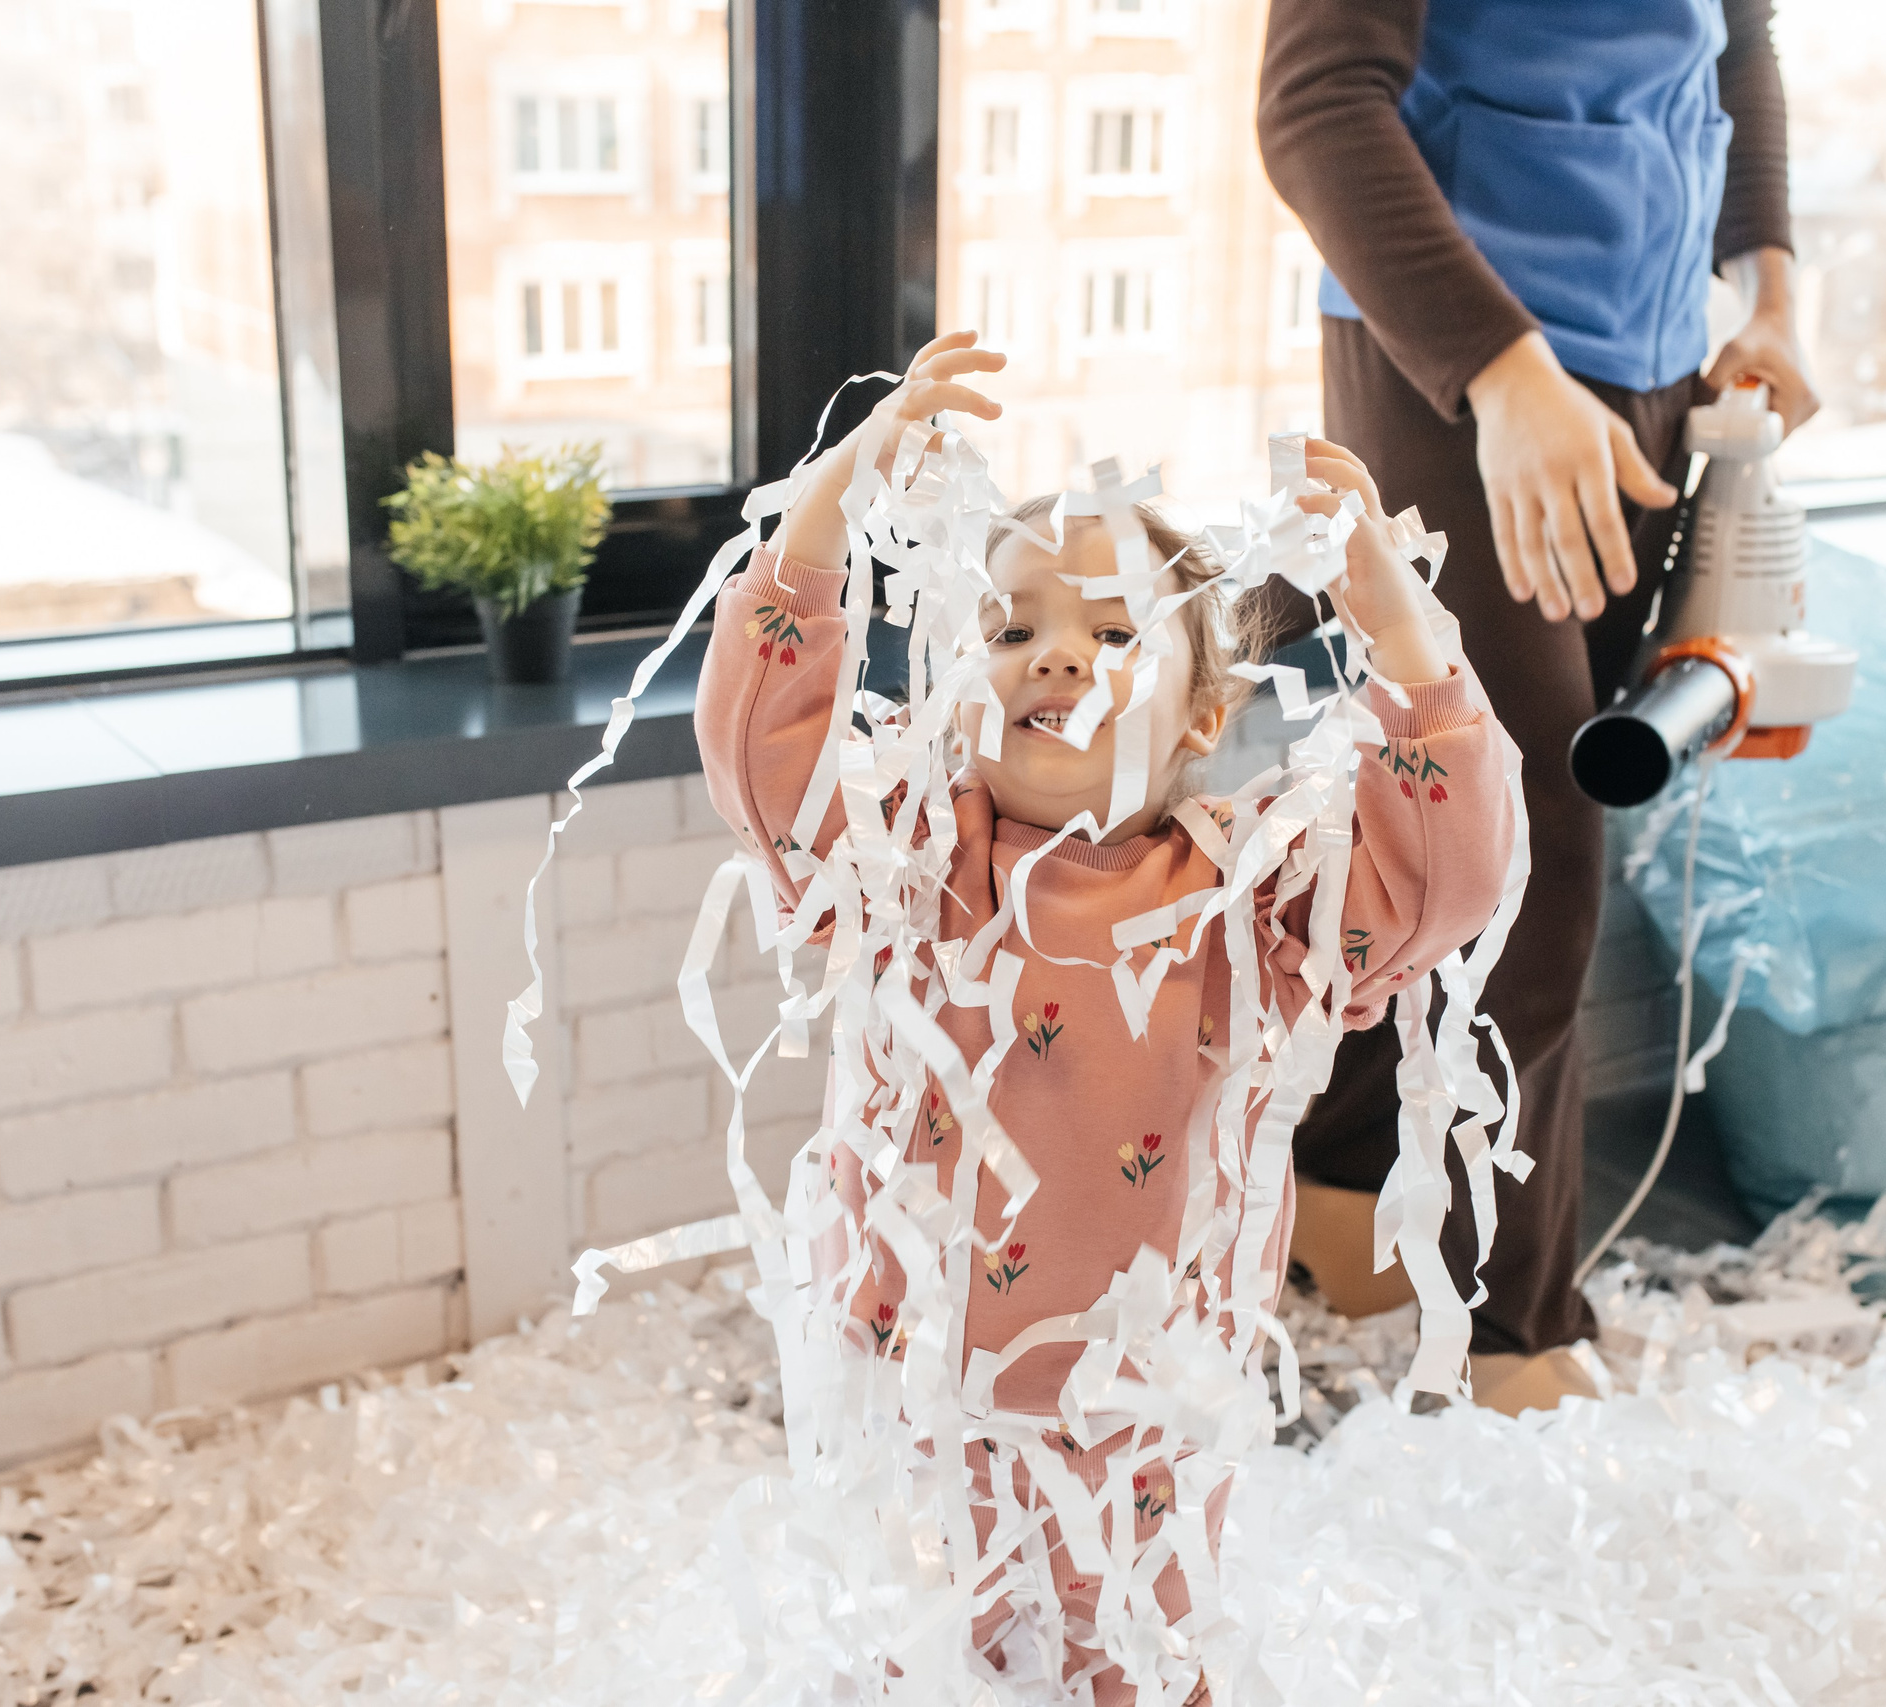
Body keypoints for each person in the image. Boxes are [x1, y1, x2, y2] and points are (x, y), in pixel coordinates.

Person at [694, 331, 1518, 1703]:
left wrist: (1400, 632)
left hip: (1149, 1420)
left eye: (1116, 633)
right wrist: (834, 498)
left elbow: (1446, 878)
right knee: (928, 1665)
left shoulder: (1252, 895)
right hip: (925, 1402)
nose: (1057, 657)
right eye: (1010, 629)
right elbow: (759, 752)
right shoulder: (911, 857)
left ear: (1204, 715)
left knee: (1142, 1662)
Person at [1254, 0, 1818, 1411]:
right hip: (1459, 364)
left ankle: (1340, 1184)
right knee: (1533, 849)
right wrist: (1505, 377)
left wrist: (1773, 294)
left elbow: (1736, 41)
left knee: (1441, 837)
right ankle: (1509, 1333)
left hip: (1654, 357)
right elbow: (1314, 104)